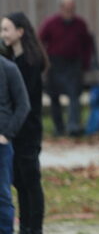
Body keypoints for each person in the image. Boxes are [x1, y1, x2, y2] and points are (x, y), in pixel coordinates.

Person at [0, 13, 46, 234]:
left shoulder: (30, 62)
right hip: (16, 130)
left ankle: (34, 227)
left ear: (20, 32)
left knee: (31, 182)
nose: (3, 34)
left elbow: (24, 102)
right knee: (19, 182)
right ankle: (25, 225)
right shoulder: (12, 60)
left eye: (6, 29)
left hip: (28, 130)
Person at [38, 0, 94, 136]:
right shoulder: (51, 23)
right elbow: (40, 42)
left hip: (73, 64)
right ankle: (59, 127)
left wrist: (85, 63)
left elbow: (87, 45)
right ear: (61, 7)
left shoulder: (80, 23)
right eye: (67, 7)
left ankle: (73, 126)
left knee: (74, 95)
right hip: (55, 64)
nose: (70, 10)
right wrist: (43, 63)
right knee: (54, 96)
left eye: (72, 7)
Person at [0, 54, 31, 234]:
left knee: (2, 196)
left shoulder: (8, 68)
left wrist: (7, 134)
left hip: (2, 145)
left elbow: (23, 105)